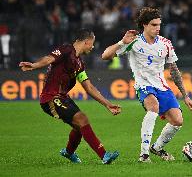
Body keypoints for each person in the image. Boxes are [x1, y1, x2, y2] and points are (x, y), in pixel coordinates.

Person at [102, 7, 192, 162]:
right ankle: (144, 155)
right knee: (153, 107)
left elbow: (174, 70)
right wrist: (121, 42)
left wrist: (185, 95)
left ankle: (156, 148)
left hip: (162, 86)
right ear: (144, 25)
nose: (157, 28)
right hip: (143, 85)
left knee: (178, 121)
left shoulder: (165, 44)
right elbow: (105, 56)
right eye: (153, 25)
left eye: (159, 25)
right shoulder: (134, 42)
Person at [19, 29, 121, 164]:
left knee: (80, 127)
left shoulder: (79, 64)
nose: (93, 46)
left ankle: (68, 152)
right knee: (82, 119)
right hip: (51, 98)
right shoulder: (66, 50)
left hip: (63, 97)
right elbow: (49, 58)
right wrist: (34, 65)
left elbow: (88, 87)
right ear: (87, 41)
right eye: (92, 43)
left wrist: (107, 104)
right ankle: (104, 155)